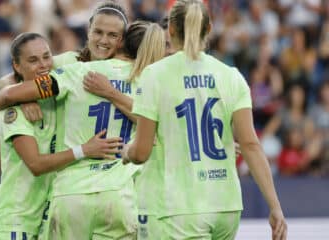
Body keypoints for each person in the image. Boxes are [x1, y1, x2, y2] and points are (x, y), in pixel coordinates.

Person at [122, 1, 287, 239]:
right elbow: (251, 145)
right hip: (226, 206)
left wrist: (128, 152)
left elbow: (141, 152)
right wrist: (275, 207)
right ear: (209, 29)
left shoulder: (154, 75)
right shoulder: (231, 76)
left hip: (182, 209)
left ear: (170, 31)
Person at [0, 20, 165, 239]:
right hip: (119, 196)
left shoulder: (76, 71)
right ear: (89, 30)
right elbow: (157, 125)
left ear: (121, 42)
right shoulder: (148, 82)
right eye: (99, 32)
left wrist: (21, 93)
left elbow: (7, 94)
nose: (104, 40)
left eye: (111, 35)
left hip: (70, 194)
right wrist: (23, 96)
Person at [0, 32, 123, 240]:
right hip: (15, 219)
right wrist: (84, 150)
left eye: (46, 56)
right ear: (16, 65)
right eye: (33, 60)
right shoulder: (13, 111)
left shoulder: (58, 89)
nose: (43, 65)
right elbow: (36, 165)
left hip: (46, 217)